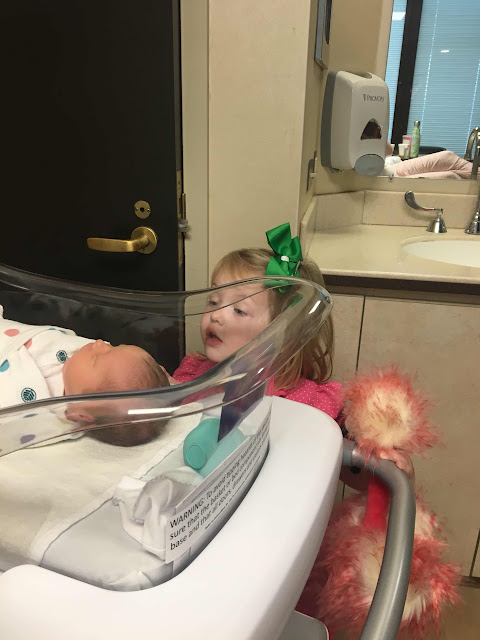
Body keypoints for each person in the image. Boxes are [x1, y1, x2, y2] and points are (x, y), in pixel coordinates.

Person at [168, 223, 413, 488]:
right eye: (213, 301)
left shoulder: (313, 402)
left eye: (239, 310)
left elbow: (356, 472)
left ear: (285, 334)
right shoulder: (193, 374)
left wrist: (387, 465)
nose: (216, 315)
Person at [0, 308, 168, 446]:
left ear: (81, 414)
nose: (100, 343)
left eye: (96, 359)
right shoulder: (79, 358)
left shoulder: (38, 409)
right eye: (114, 346)